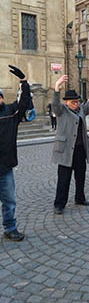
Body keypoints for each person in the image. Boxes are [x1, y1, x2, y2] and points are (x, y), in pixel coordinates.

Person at [51, 75, 89, 214]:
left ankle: (80, 198)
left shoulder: (81, 110)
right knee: (64, 179)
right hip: (66, 150)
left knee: (80, 176)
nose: (76, 104)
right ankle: (59, 204)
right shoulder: (61, 111)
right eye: (73, 102)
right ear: (66, 102)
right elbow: (55, 104)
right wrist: (57, 87)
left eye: (77, 101)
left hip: (80, 149)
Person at [0, 65, 31, 241]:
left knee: (9, 201)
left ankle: (10, 228)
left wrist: (24, 82)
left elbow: (24, 102)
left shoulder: (10, 113)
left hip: (5, 168)